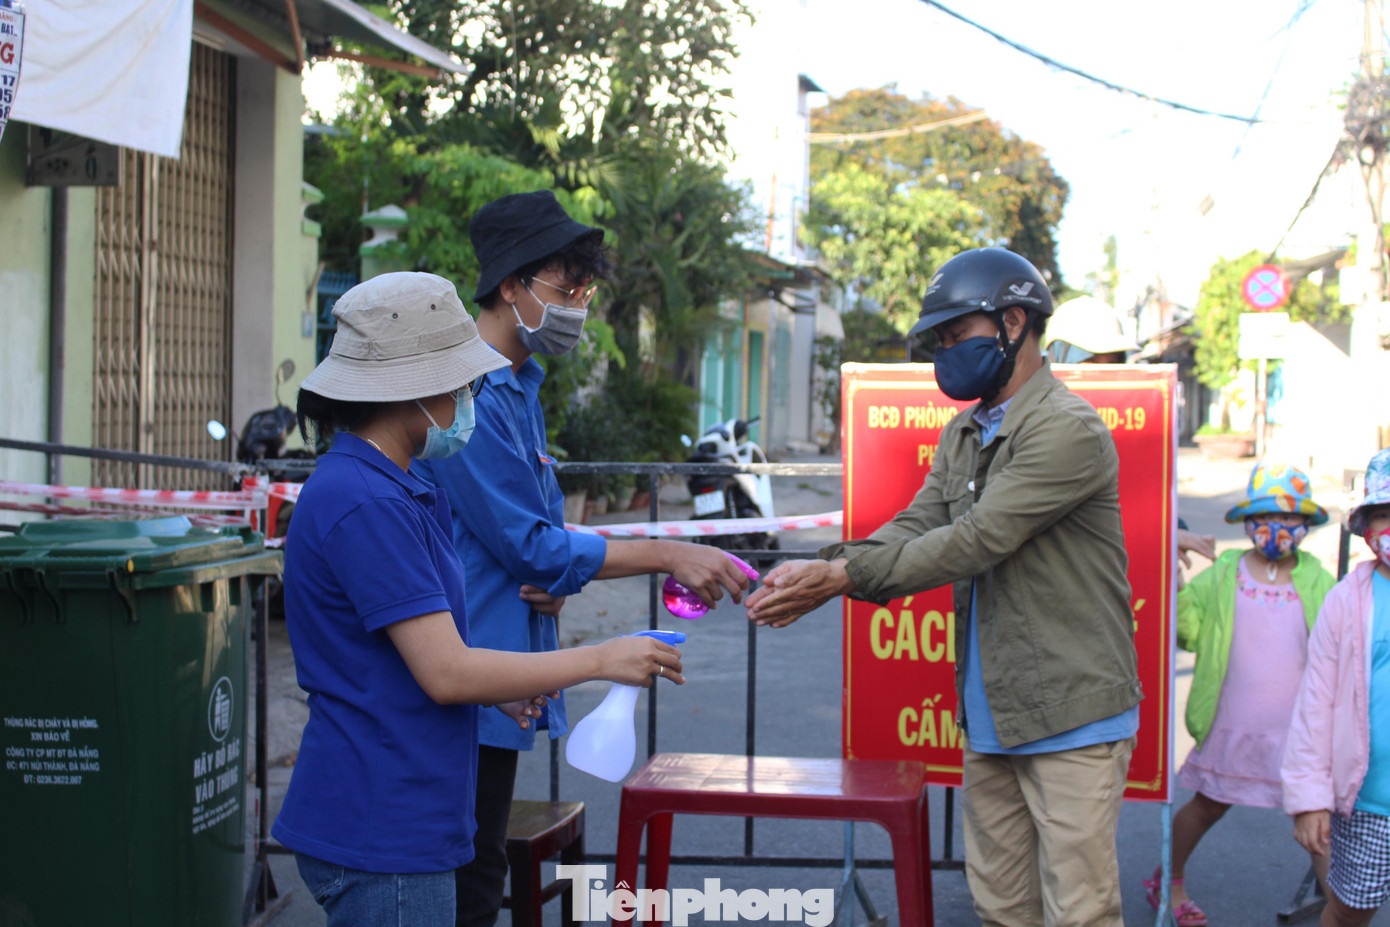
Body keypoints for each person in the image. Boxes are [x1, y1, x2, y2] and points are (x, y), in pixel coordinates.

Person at [270, 271, 686, 927]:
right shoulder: (365, 500)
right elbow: (446, 670)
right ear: (411, 386)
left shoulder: (395, 485)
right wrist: (602, 659)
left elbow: (413, 652)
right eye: (461, 380)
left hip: (407, 812)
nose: (471, 394)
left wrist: (495, 688)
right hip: (384, 824)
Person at [746, 247, 1142, 927]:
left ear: (1013, 322)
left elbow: (979, 537)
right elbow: (919, 520)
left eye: (957, 337)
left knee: (1079, 911)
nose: (946, 355)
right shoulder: (965, 431)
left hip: (1073, 713)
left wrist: (842, 577)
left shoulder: (1065, 429)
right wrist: (826, 565)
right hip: (995, 712)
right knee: (1001, 907)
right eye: (941, 342)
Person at [412, 190, 752, 927]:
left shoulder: (520, 388)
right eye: (568, 289)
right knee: (466, 871)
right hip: (468, 671)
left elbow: (532, 540)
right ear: (511, 285)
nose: (580, 305)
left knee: (478, 857)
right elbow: (529, 542)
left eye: (586, 290)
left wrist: (554, 573)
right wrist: (665, 550)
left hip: (508, 668)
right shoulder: (470, 394)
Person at [1148, 463, 1335, 926]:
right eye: (1266, 516)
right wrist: (1175, 580)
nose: (1278, 528)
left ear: (1306, 525)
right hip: (1232, 725)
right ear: (1248, 522)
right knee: (1208, 807)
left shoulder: (1318, 580)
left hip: (1297, 733)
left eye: (1290, 519)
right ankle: (1168, 880)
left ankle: (1343, 911)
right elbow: (1186, 631)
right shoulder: (1225, 573)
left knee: (1315, 823)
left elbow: (1339, 646)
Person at [1283, 447, 1390, 927]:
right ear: (1365, 526)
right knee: (1347, 910)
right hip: (1370, 802)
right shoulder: (1346, 602)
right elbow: (1316, 704)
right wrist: (1309, 798)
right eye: (1384, 515)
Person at [1045, 294, 1218, 566]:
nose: (1103, 375)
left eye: (1112, 363)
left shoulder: (1136, 423)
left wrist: (1172, 532)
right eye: (1090, 362)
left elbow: (1143, 494)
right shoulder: (1027, 422)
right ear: (1059, 359)